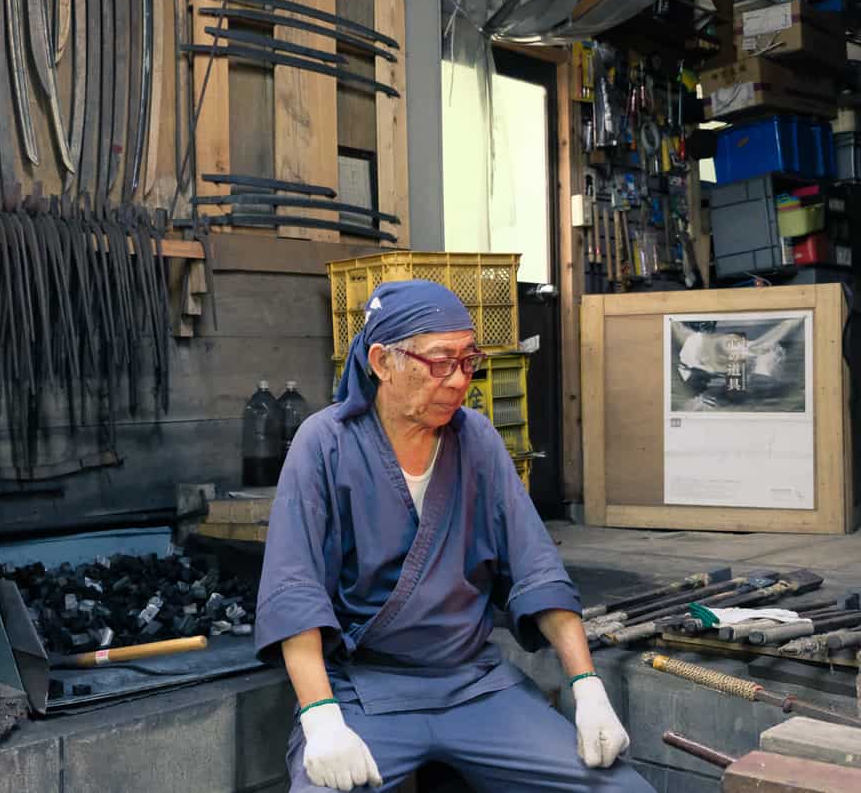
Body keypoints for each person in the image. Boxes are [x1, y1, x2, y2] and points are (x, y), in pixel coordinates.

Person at [255, 280, 652, 792]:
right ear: (382, 362)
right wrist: (321, 719)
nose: (459, 380)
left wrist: (588, 686)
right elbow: (294, 591)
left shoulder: (478, 439)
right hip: (367, 691)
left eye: (469, 360)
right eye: (441, 361)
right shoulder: (324, 442)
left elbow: (536, 569)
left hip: (475, 684)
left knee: (623, 790)